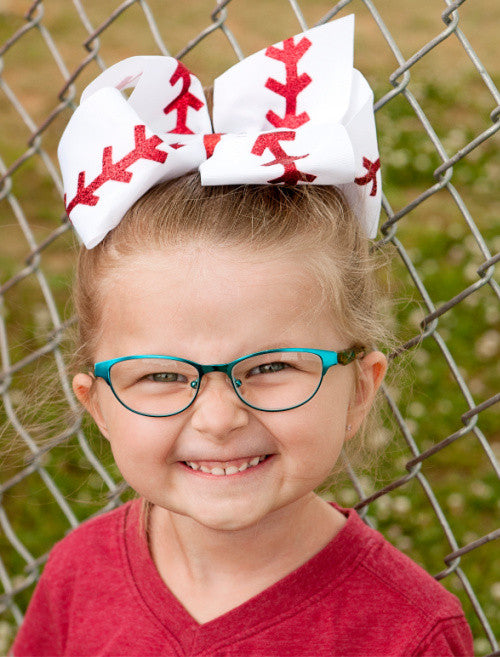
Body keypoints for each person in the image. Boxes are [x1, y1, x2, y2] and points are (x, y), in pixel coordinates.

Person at [12, 16, 473, 657]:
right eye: (163, 375)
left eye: (271, 366)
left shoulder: (406, 633)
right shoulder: (75, 575)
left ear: (360, 389)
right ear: (98, 406)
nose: (221, 418)